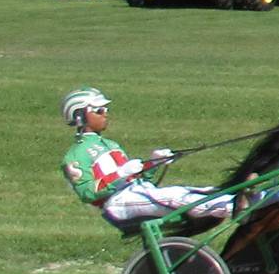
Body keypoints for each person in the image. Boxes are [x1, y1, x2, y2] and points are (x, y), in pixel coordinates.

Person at [59, 87, 232, 228]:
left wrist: (154, 162)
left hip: (137, 193)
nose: (105, 114)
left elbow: (135, 177)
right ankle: (232, 206)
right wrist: (120, 174)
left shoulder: (111, 145)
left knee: (193, 191)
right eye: (99, 110)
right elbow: (87, 193)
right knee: (174, 196)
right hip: (117, 204)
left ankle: (240, 198)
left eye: (106, 109)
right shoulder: (75, 155)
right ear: (80, 116)